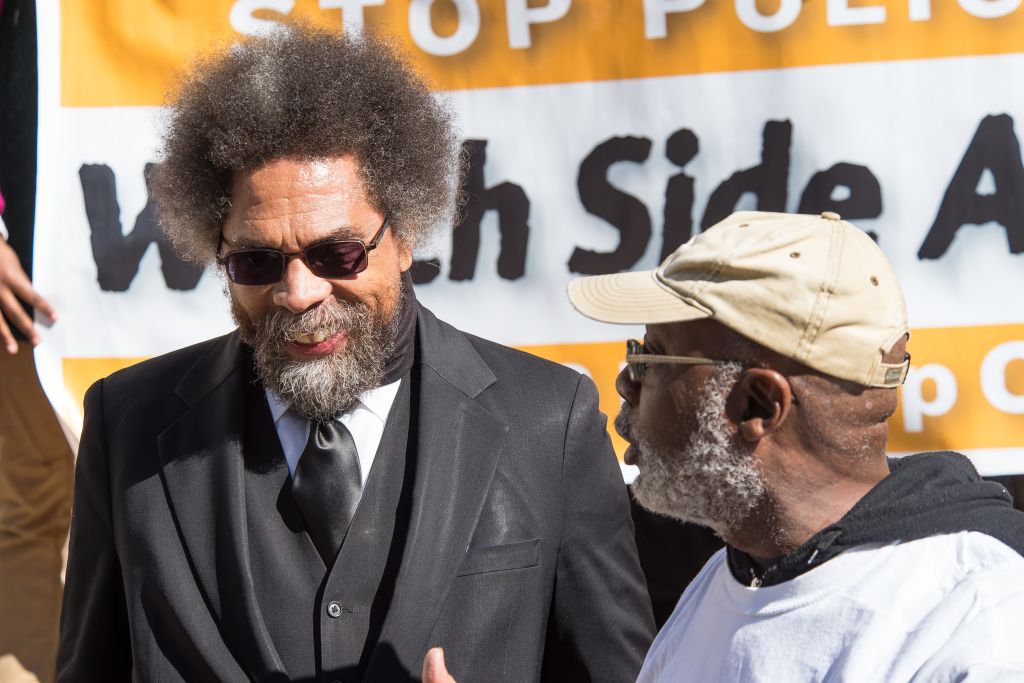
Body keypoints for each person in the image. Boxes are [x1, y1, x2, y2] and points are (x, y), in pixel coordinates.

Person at [56, 25, 654, 682]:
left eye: (335, 253)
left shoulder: (548, 421)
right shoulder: (129, 426)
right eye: (257, 261)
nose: (298, 292)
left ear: (403, 236)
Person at [567, 210, 1024, 681]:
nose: (625, 383)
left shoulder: (979, 625)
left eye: (648, 357)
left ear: (756, 406)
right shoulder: (726, 583)